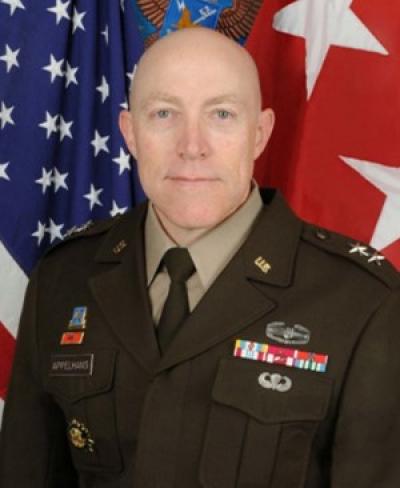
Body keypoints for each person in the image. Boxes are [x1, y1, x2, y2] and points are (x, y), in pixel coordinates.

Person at [1, 27, 400, 488]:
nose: (192, 146)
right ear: (130, 133)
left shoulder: (360, 302)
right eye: (164, 113)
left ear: (259, 134)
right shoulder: (63, 278)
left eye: (222, 114)